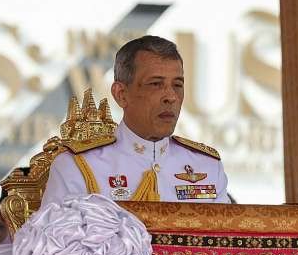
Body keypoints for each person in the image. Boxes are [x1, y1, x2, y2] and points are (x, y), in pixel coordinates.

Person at [42, 35, 229, 207]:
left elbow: (229, 241)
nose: (171, 97)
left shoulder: (208, 166)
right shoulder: (79, 165)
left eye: (177, 85)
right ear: (121, 94)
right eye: (156, 84)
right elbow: (56, 241)